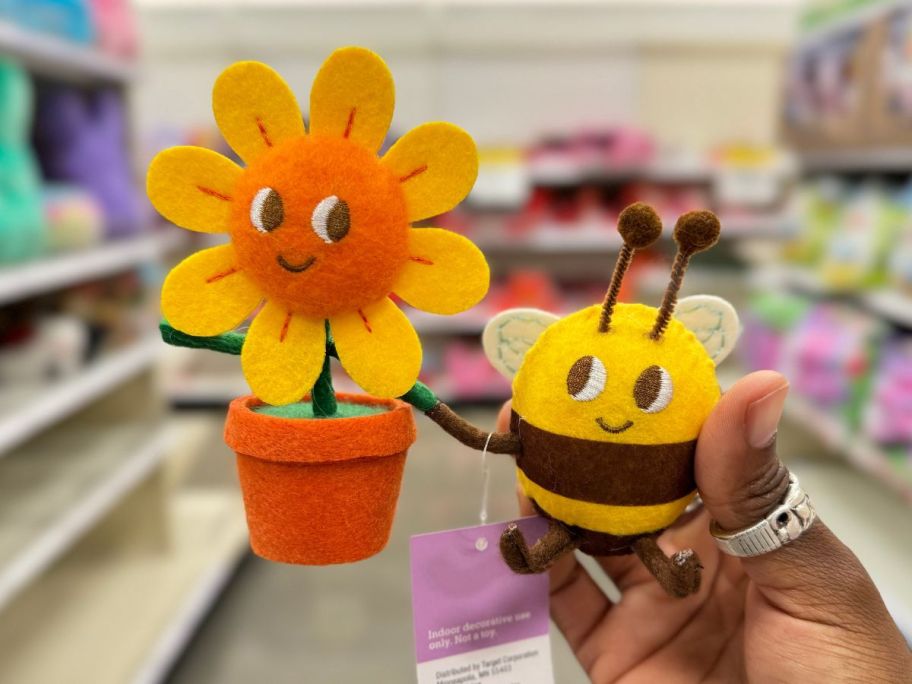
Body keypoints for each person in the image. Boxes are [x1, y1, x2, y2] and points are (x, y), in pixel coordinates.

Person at [497, 370, 912, 682]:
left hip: (642, 529)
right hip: (580, 522)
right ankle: (531, 556)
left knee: (645, 552)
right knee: (576, 544)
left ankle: (668, 575)